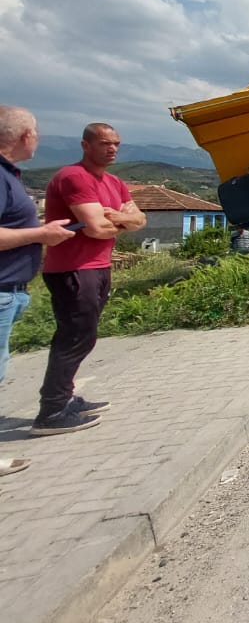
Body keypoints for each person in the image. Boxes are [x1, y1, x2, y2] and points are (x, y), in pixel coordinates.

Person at [33, 123, 147, 436]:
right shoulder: (73, 177)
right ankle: (52, 410)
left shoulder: (114, 181)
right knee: (75, 337)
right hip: (72, 268)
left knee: (84, 335)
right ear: (85, 145)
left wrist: (118, 217)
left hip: (97, 266)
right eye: (104, 143)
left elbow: (140, 220)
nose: (112, 149)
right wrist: (116, 220)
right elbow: (97, 227)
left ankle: (65, 397)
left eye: (116, 144)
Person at [0, 108, 77, 472]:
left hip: (11, 288)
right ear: (24, 136)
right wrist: (40, 235)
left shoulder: (9, 176)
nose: (38, 138)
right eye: (36, 131)